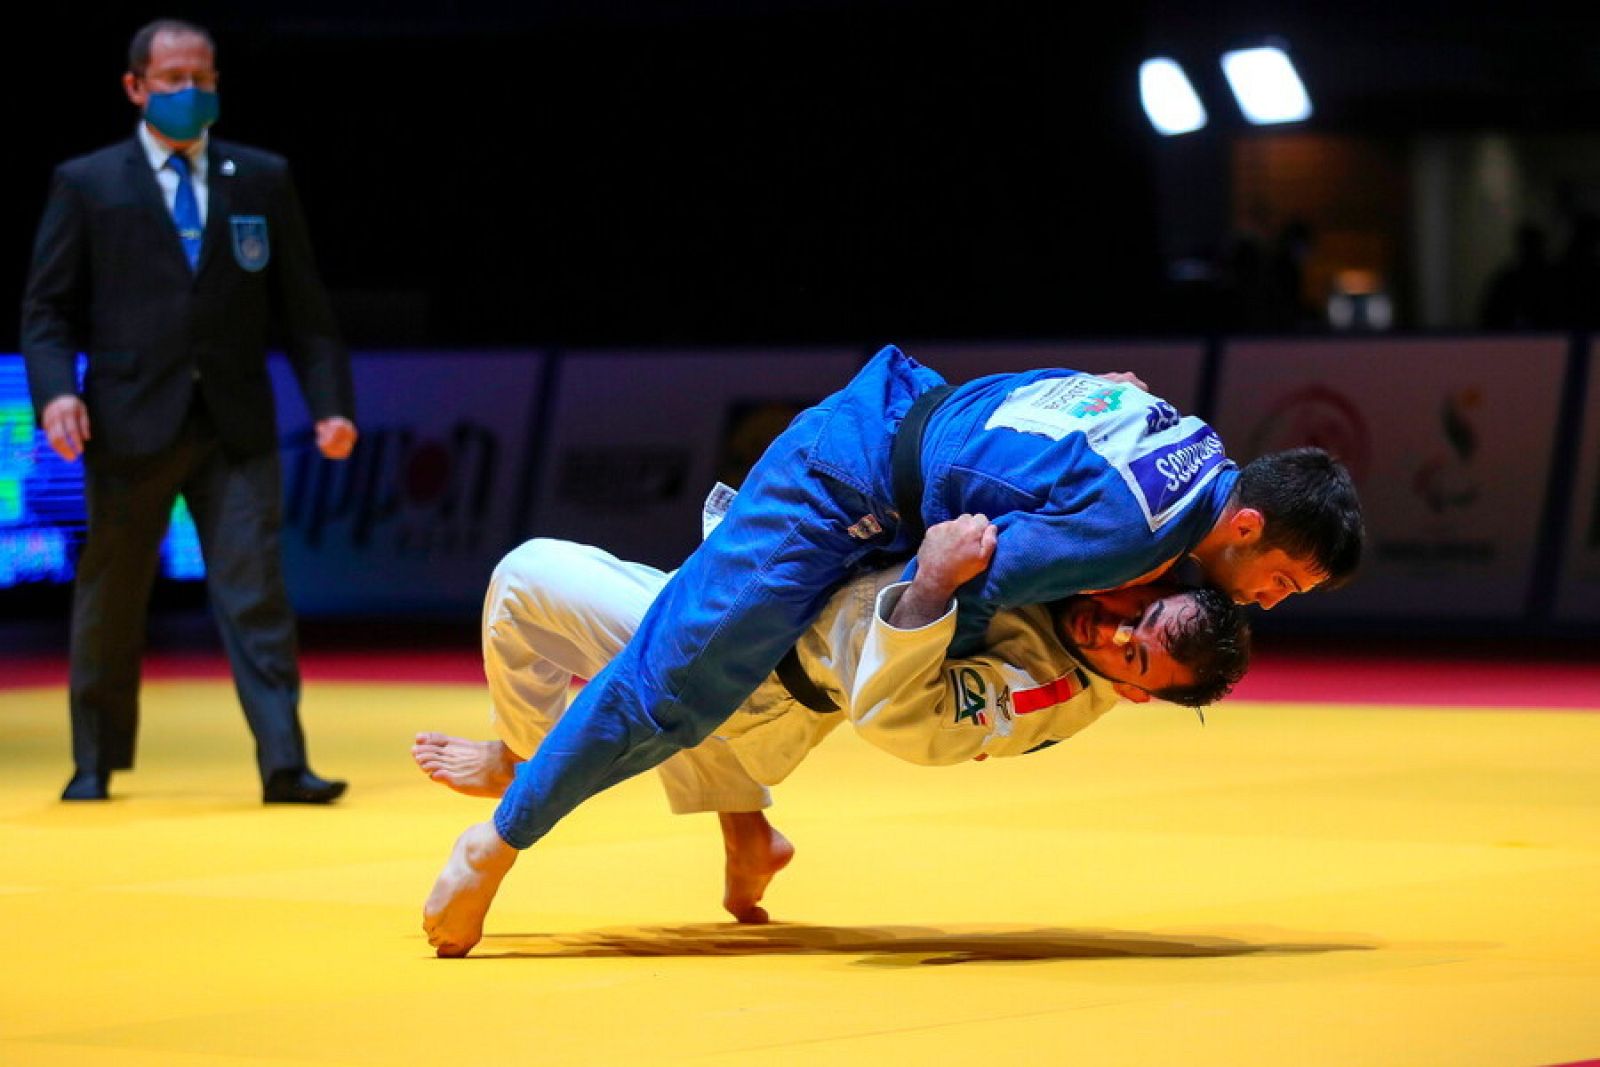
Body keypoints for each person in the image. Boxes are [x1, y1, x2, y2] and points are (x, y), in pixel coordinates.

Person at [424, 345, 1363, 948]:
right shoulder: (1137, 536)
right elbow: (975, 579)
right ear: (1243, 525)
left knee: (720, 669)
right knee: (670, 688)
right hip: (844, 483)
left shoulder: (1187, 435)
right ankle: (493, 846)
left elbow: (1092, 394)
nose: (1269, 602)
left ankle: (726, 810)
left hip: (907, 406)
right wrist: (970, 586)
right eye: (1280, 580)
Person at [419, 518, 1249, 953]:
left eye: (1130, 653)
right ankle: (748, 830)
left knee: (527, 579)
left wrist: (931, 580)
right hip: (771, 635)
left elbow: (894, 716)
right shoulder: (1119, 561)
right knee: (666, 666)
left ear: (1135, 694)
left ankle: (523, 758)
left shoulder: (1043, 693)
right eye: (1131, 612)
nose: (1109, 630)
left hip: (773, 677)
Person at [20, 19, 356, 804]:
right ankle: (95, 761)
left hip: (235, 425)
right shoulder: (89, 182)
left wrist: (330, 405)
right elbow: (45, 310)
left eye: (201, 78)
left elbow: (304, 308)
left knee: (257, 593)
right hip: (128, 423)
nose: (189, 91)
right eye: (171, 79)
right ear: (136, 86)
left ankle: (284, 762)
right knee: (111, 595)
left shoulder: (260, 177)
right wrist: (56, 392)